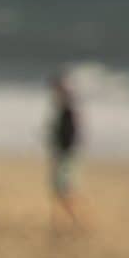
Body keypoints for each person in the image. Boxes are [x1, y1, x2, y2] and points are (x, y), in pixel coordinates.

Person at [48, 72, 85, 231]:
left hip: (66, 153)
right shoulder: (64, 108)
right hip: (64, 152)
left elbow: (72, 133)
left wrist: (63, 151)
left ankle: (77, 220)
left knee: (65, 189)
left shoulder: (68, 109)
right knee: (60, 189)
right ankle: (64, 220)